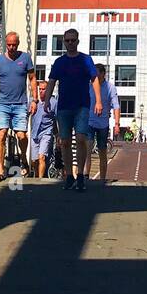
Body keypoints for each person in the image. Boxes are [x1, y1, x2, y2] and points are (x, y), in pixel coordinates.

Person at [43, 28, 103, 193]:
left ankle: (81, 176)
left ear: (77, 41)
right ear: (64, 42)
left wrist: (98, 101)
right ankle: (69, 175)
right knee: (65, 141)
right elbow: (52, 82)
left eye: (73, 40)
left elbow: (94, 80)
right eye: (67, 40)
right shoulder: (59, 62)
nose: (70, 43)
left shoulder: (86, 60)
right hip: (63, 107)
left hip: (82, 106)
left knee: (81, 138)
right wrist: (47, 100)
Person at [0, 31, 35, 181]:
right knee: (2, 135)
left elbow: (32, 79)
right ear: (6, 44)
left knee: (21, 136)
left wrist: (34, 100)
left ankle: (23, 158)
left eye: (14, 44)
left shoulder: (25, 58)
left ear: (18, 44)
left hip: (20, 104)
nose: (11, 47)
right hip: (3, 104)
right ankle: (0, 170)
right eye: (9, 45)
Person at [85, 64, 120, 184]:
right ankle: (85, 177)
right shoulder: (89, 86)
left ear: (103, 74)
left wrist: (117, 124)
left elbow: (116, 106)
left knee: (102, 152)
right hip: (89, 122)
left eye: (97, 74)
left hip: (103, 124)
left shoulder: (110, 88)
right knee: (87, 149)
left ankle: (102, 179)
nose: (94, 76)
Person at [28, 80, 58, 179]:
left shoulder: (53, 103)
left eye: (43, 89)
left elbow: (57, 119)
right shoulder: (33, 101)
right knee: (34, 160)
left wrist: (58, 135)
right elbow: (26, 115)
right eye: (39, 89)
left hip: (46, 132)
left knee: (42, 157)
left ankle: (40, 180)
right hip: (35, 133)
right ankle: (37, 176)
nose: (41, 91)